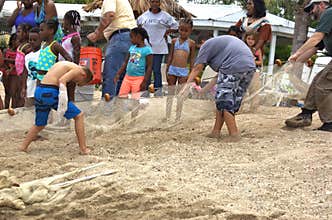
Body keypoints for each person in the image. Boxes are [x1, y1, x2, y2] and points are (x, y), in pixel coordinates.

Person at [181, 36, 256, 141]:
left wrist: (185, 87)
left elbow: (197, 68)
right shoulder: (219, 47)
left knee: (224, 101)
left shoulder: (205, 46)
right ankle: (216, 131)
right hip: (250, 67)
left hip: (234, 66)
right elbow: (220, 77)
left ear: (201, 43)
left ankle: (234, 134)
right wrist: (203, 90)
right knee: (227, 99)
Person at [20, 61, 93, 154]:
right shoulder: (78, 70)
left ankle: (23, 147)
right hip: (50, 92)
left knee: (40, 124)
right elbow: (62, 80)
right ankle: (83, 149)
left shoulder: (64, 64)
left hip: (39, 91)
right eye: (78, 81)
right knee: (79, 116)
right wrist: (63, 97)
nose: (75, 81)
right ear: (83, 75)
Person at [285, 0, 332, 132]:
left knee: (323, 86)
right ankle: (306, 113)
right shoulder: (327, 22)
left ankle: (330, 123)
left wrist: (296, 53)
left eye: (312, 7)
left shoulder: (329, 13)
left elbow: (315, 38)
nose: (311, 12)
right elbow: (315, 47)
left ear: (321, 4)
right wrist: (295, 63)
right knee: (317, 80)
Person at [87, 0, 136, 100]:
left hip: (120, 37)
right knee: (122, 78)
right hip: (130, 38)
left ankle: (107, 110)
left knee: (111, 76)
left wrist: (96, 33)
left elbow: (109, 15)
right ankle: (118, 111)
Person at [137, 0, 178, 96]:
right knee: (147, 69)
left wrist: (167, 32)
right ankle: (145, 91)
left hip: (159, 47)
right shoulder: (144, 16)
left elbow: (176, 26)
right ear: (149, 3)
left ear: (160, 3)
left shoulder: (165, 16)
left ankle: (158, 91)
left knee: (156, 69)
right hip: (146, 47)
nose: (154, 4)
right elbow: (137, 25)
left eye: (156, 2)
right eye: (152, 2)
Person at [165, 18, 195, 120]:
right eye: (181, 30)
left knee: (180, 95)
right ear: (178, 29)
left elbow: (191, 59)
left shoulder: (191, 43)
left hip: (183, 71)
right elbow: (170, 56)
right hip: (172, 69)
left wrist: (192, 73)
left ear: (190, 31)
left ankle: (178, 117)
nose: (183, 32)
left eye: (186, 31)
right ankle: (167, 115)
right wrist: (167, 69)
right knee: (170, 94)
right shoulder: (174, 41)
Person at [113, 27, 153, 100]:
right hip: (127, 78)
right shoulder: (132, 48)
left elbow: (149, 67)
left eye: (132, 37)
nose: (130, 39)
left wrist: (145, 81)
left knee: (135, 99)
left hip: (138, 79)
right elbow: (125, 62)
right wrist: (118, 74)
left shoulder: (147, 50)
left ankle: (135, 112)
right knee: (121, 97)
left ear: (139, 37)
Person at [59, 10, 81, 102]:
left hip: (70, 69)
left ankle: (73, 114)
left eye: (64, 20)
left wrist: (75, 70)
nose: (63, 23)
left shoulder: (75, 37)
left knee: (70, 94)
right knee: (64, 93)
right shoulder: (67, 36)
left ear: (68, 21)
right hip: (63, 68)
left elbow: (76, 54)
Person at [24, 26, 41, 107]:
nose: (32, 42)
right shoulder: (27, 56)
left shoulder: (43, 53)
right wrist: (23, 88)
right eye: (30, 40)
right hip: (30, 91)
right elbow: (25, 74)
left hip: (41, 91)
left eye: (35, 40)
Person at [2, 33, 20, 109]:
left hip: (15, 74)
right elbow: (2, 61)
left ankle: (13, 108)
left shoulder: (19, 51)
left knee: (14, 93)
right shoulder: (6, 50)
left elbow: (18, 62)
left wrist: (9, 64)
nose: (18, 42)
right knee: (7, 92)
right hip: (6, 73)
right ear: (12, 41)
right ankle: (6, 108)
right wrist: (7, 68)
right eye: (17, 40)